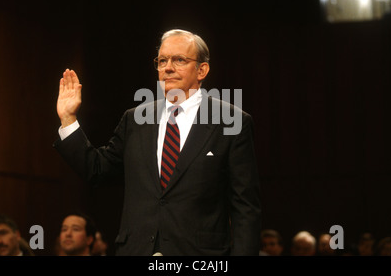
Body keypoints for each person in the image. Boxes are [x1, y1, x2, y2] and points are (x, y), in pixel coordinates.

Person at [54, 29, 262, 256]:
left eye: (179, 60)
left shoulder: (231, 122)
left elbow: (245, 208)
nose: (168, 67)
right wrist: (68, 119)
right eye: (162, 61)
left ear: (202, 69)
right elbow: (97, 170)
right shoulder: (135, 119)